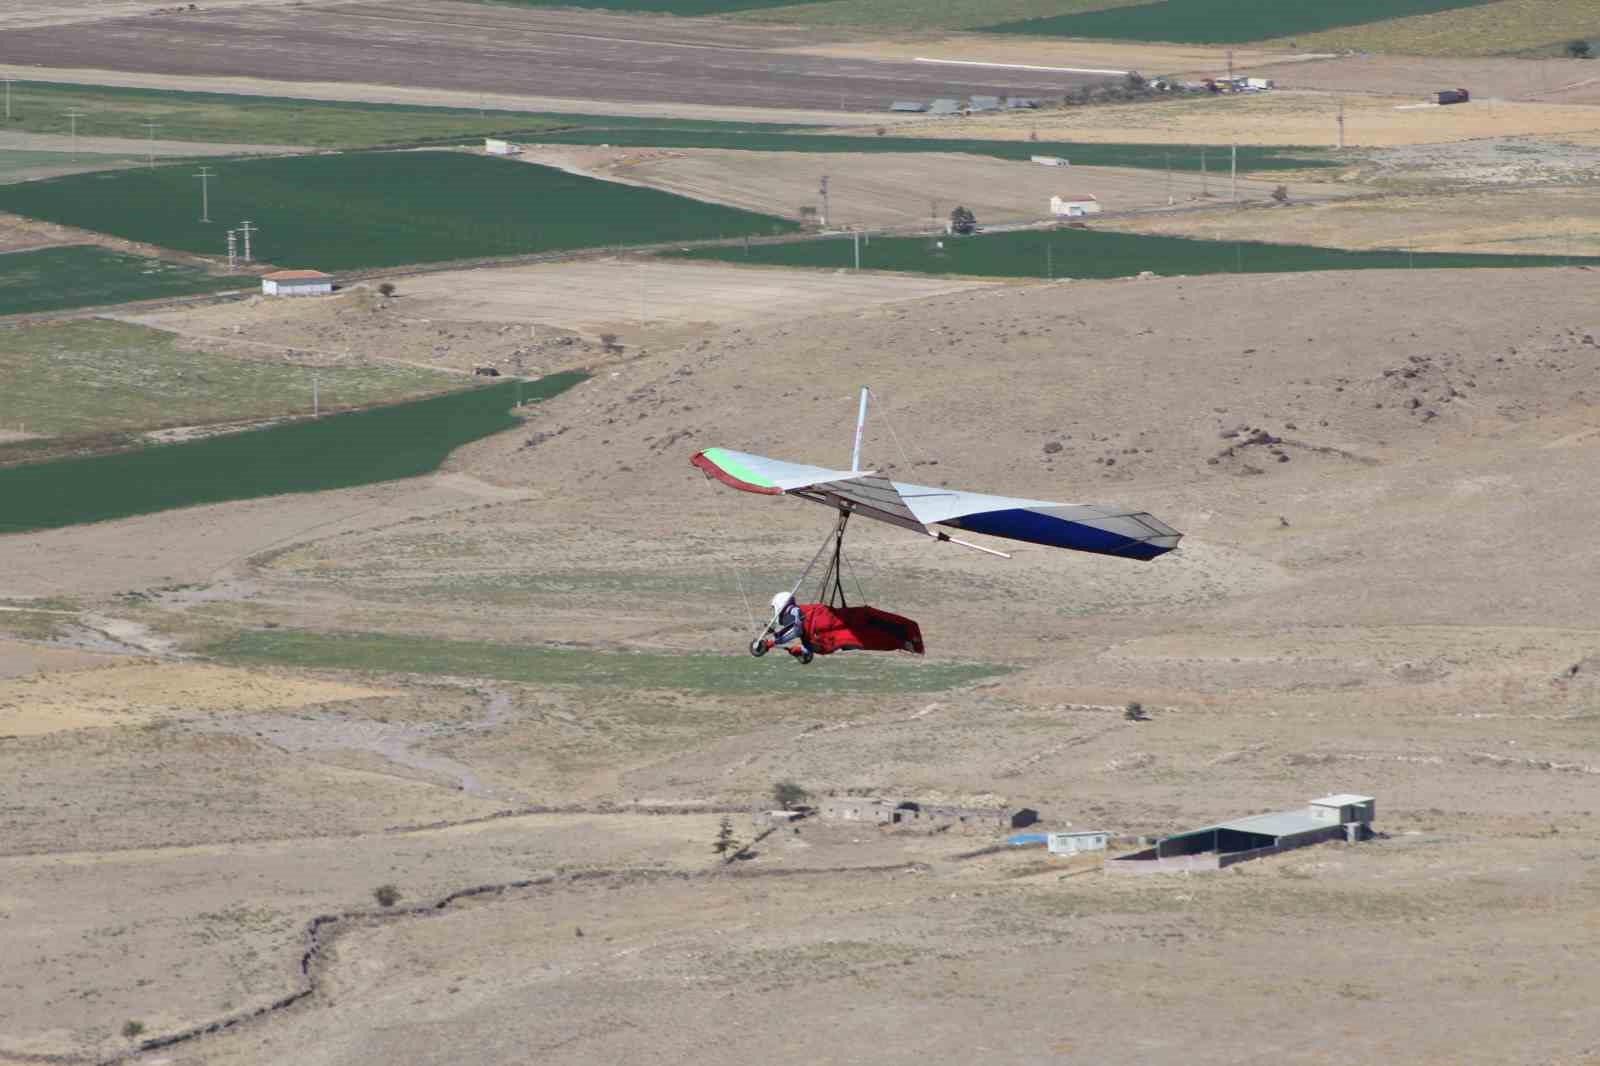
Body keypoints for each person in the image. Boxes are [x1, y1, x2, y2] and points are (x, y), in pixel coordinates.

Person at [751, 590, 813, 663]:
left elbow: (796, 630)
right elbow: (778, 621)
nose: (774, 610)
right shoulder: (792, 613)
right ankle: (804, 651)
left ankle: (805, 651)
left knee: (794, 629)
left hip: (801, 629)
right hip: (808, 636)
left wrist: (770, 643)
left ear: (779, 604)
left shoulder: (790, 614)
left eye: (774, 608)